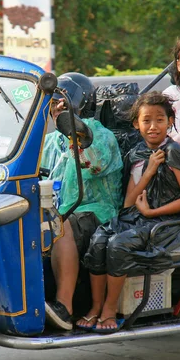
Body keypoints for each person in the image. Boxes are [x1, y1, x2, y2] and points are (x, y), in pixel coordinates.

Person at [78, 92, 180, 333]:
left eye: (159, 120)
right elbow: (128, 204)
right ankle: (95, 307)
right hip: (139, 217)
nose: (153, 126)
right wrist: (148, 171)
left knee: (118, 245)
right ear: (136, 124)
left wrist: (154, 212)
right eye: (146, 120)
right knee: (99, 240)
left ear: (170, 122)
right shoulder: (136, 154)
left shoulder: (173, 152)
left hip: (169, 224)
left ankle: (110, 310)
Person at [42, 73, 124, 330]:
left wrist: (74, 131)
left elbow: (94, 163)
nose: (56, 108)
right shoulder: (49, 140)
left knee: (60, 225)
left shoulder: (100, 134)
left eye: (61, 103)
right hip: (58, 208)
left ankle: (64, 306)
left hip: (95, 212)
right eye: (52, 103)